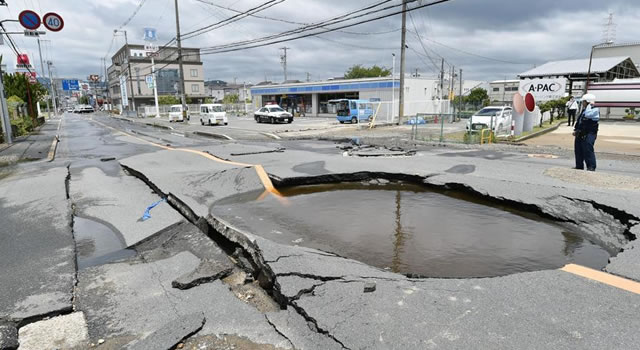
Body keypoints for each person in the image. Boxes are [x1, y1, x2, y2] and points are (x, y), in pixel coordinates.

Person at [573, 94, 599, 171]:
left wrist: (589, 105)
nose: (582, 103)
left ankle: (591, 166)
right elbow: (580, 121)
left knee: (588, 149)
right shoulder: (584, 110)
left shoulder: (595, 109)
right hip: (581, 132)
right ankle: (579, 165)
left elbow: (588, 115)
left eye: (584, 102)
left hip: (590, 133)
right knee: (578, 149)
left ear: (587, 102)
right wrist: (576, 129)